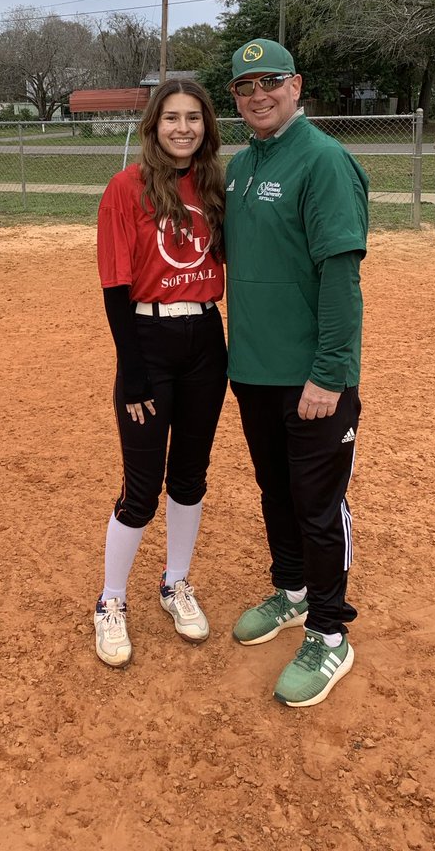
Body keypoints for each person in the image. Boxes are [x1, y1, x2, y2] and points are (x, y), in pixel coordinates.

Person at [224, 38, 369, 707]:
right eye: (244, 86)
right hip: (252, 369)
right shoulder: (238, 168)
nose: (257, 94)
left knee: (317, 504)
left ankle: (331, 631)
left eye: (270, 81)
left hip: (311, 377)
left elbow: (340, 277)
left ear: (296, 84)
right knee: (275, 491)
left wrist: (330, 375)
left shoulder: (323, 161)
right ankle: (292, 588)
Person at [93, 80, 228, 668]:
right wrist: (132, 370)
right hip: (148, 338)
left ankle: (175, 583)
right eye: (171, 117)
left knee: (190, 476)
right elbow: (115, 286)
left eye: (193, 118)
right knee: (142, 488)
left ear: (206, 126)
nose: (182, 128)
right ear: (152, 125)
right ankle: (111, 600)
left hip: (205, 338)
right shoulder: (125, 189)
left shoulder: (217, 186)